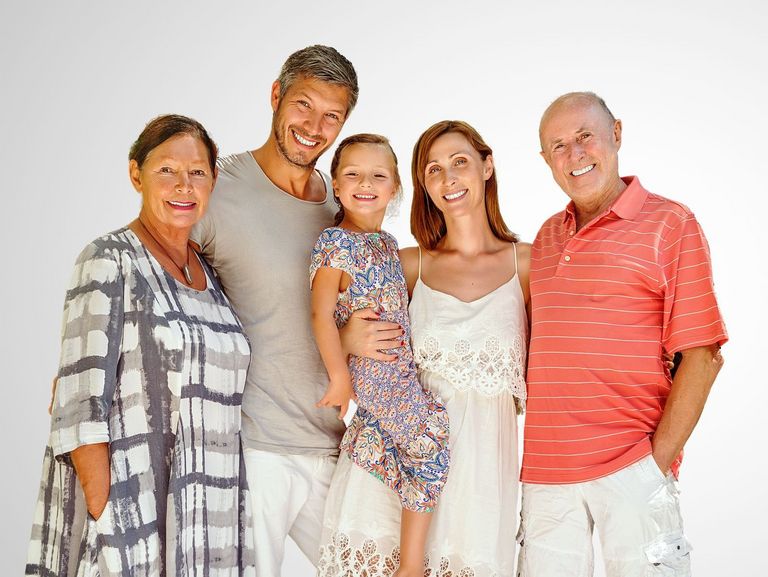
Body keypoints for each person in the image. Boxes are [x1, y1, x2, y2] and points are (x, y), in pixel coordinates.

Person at [189, 45, 389, 577]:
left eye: (332, 116)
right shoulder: (218, 190)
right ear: (276, 96)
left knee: (376, 566)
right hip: (254, 449)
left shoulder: (342, 206)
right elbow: (150, 263)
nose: (314, 126)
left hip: (331, 443)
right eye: (303, 105)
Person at [26, 114, 255, 576]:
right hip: (134, 512)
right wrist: (109, 519)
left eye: (197, 173)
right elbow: (78, 409)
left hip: (212, 516)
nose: (183, 186)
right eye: (166, 170)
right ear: (136, 174)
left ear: (213, 181)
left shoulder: (210, 276)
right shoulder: (108, 260)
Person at [517, 92, 728, 577]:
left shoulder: (671, 223)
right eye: (558, 145)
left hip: (631, 468)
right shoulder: (547, 237)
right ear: (545, 159)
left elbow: (702, 355)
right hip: (546, 477)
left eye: (585, 136)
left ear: (616, 134)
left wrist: (653, 467)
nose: (574, 154)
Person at [321, 121, 530, 577]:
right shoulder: (408, 264)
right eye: (433, 169)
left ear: (487, 166)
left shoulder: (527, 265)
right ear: (421, 186)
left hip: (479, 481)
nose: (449, 179)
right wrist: (347, 339)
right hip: (395, 467)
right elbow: (337, 318)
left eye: (460, 163)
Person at [311, 134, 451, 577]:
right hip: (374, 376)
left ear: (395, 188)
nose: (365, 183)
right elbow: (319, 316)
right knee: (431, 447)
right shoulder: (333, 243)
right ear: (336, 184)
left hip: (400, 375)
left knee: (411, 449)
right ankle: (411, 568)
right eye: (352, 174)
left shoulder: (390, 245)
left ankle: (405, 560)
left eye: (378, 175)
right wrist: (339, 377)